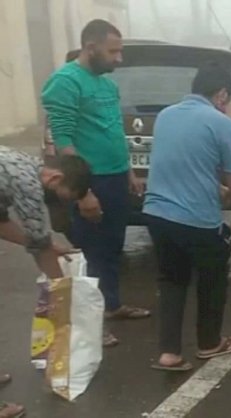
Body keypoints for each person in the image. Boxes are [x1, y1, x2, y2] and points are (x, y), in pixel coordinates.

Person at [41, 19, 150, 347]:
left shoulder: (106, 83)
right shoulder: (65, 82)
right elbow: (64, 144)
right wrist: (83, 191)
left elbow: (115, 130)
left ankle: (112, 306)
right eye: (113, 51)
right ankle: (89, 325)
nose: (119, 58)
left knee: (112, 247)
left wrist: (128, 171)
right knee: (91, 254)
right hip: (90, 181)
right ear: (91, 48)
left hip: (116, 177)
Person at [143, 61, 231, 371]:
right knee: (213, 278)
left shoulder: (166, 116)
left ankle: (169, 354)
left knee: (172, 281)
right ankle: (209, 343)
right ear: (221, 94)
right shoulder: (221, 123)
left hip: (156, 213)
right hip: (196, 219)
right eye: (229, 98)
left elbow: (186, 163)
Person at [0, 146, 93, 418]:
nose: (61, 204)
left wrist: (48, 243)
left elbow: (2, 222)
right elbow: (40, 250)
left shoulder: (21, 162)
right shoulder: (29, 183)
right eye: (64, 198)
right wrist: (62, 295)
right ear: (54, 179)